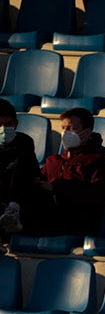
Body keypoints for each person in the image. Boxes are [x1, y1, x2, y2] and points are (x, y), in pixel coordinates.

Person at [35, 107, 105, 237]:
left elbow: (99, 195)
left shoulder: (99, 161)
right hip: (49, 221)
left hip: (80, 224)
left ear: (87, 132)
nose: (65, 133)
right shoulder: (53, 161)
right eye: (63, 128)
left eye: (71, 129)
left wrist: (57, 189)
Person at [0, 99, 41, 240]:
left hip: (19, 195)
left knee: (20, 166)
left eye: (8, 124)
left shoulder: (24, 142)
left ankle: (13, 211)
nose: (3, 129)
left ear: (15, 124)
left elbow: (33, 172)